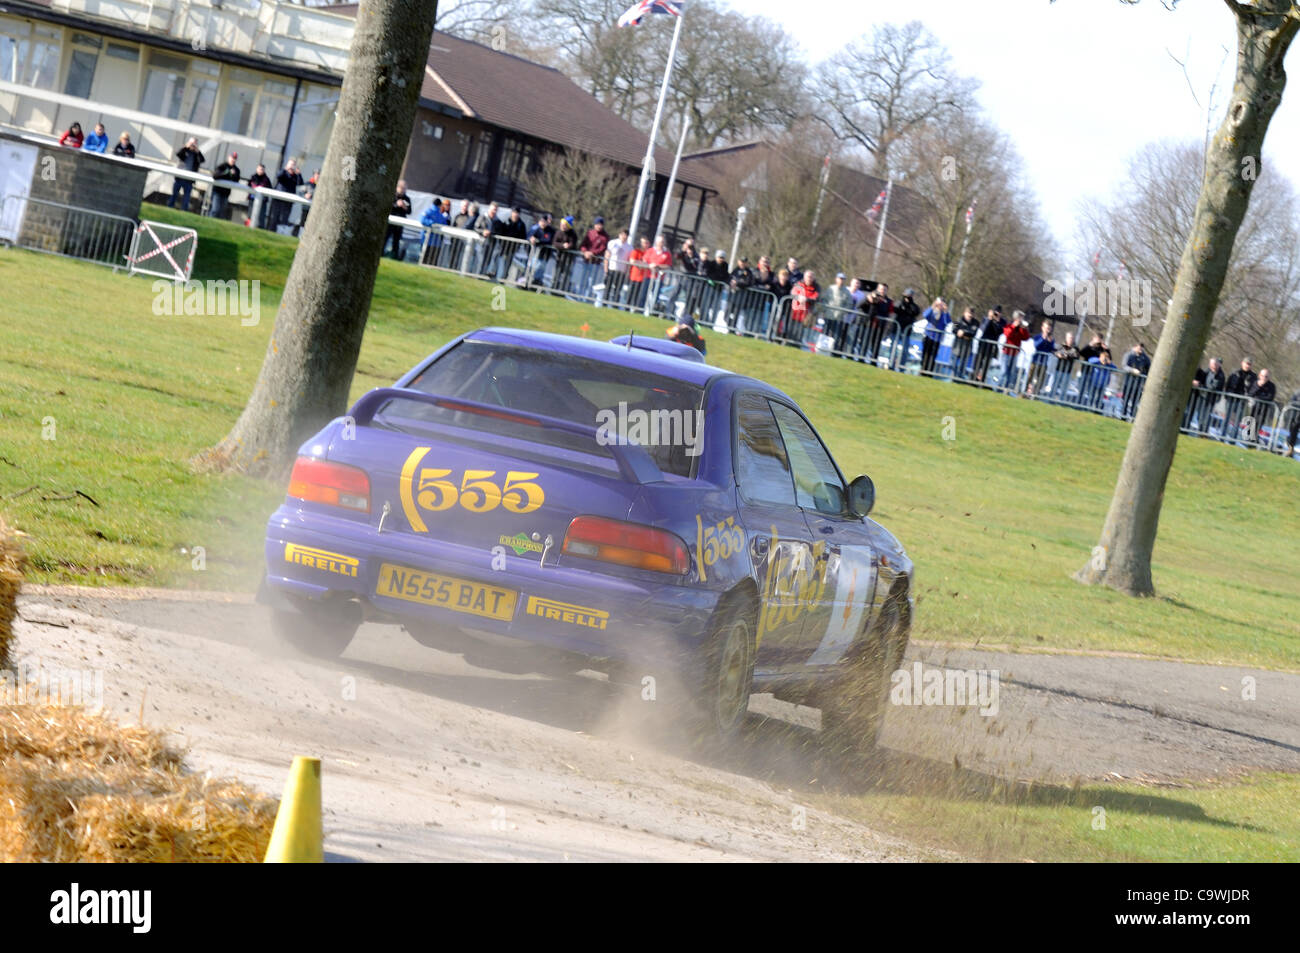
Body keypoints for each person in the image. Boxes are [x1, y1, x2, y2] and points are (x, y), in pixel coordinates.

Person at [1224, 357, 1257, 442]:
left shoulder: (1253, 376)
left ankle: (1233, 439)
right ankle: (1222, 436)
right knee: (1226, 419)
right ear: (1242, 363)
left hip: (1241, 401)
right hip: (1231, 399)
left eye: (1249, 364)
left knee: (1237, 421)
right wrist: (1227, 395)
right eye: (1246, 363)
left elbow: (1253, 388)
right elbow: (1228, 384)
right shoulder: (1235, 373)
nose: (1247, 365)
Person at [1188, 356, 1224, 433]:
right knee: (1200, 416)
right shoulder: (1208, 371)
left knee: (1205, 416)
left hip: (1210, 399)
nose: (1211, 365)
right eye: (1210, 364)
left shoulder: (1220, 375)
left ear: (1217, 364)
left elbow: (1213, 387)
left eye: (1213, 364)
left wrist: (1199, 385)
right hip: (1203, 396)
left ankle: (1203, 433)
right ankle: (1201, 432)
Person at [168, 137, 204, 211]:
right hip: (180, 176)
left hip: (189, 179)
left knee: (186, 196)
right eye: (191, 143)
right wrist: (186, 147)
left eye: (194, 144)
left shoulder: (196, 154)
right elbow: (178, 153)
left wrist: (198, 151)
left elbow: (202, 160)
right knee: (175, 193)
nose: (192, 145)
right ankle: (170, 206)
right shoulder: (184, 151)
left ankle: (184, 209)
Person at [999, 310, 1032, 393]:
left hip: (1015, 354)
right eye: (1020, 317)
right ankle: (998, 388)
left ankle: (1006, 390)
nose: (1021, 319)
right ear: (1016, 318)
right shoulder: (1009, 326)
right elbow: (1008, 334)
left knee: (1011, 373)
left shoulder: (1021, 329)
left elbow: (1026, 338)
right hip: (1006, 353)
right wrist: (1014, 326)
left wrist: (1024, 329)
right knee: (1003, 371)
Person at [577, 216, 609, 298]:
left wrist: (592, 253)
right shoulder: (590, 233)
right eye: (597, 224)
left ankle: (588, 297)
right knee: (583, 279)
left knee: (592, 282)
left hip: (595, 263)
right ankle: (580, 296)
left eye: (600, 224)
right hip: (586, 261)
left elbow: (602, 249)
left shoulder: (605, 237)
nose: (599, 226)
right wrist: (585, 252)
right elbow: (583, 245)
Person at [268, 158, 302, 231]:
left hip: (288, 201)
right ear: (287, 164)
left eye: (293, 165)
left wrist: (299, 174)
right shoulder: (283, 172)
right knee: (275, 217)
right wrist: (285, 169)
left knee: (284, 218)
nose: (292, 166)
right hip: (278, 199)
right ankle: (271, 231)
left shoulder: (295, 176)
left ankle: (280, 232)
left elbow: (300, 183)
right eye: (291, 164)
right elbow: (278, 176)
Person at [788, 269, 821, 346]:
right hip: (795, 311)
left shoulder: (816, 287)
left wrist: (806, 299)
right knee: (792, 328)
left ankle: (798, 344)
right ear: (804, 277)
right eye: (808, 276)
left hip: (806, 313)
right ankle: (789, 342)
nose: (809, 278)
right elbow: (792, 293)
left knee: (801, 330)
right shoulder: (798, 284)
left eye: (811, 277)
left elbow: (816, 297)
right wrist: (798, 297)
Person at [382, 179, 412, 260]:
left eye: (405, 188)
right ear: (397, 187)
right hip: (390, 222)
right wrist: (396, 205)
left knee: (396, 240)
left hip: (400, 223)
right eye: (402, 188)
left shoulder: (407, 199)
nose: (403, 190)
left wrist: (404, 207)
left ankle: (395, 256)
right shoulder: (393, 196)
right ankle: (381, 252)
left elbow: (409, 211)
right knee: (385, 237)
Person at [973, 307, 1004, 383]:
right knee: (978, 362)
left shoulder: (1002, 322)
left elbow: (999, 332)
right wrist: (990, 319)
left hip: (991, 346)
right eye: (995, 312)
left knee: (986, 365)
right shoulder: (985, 319)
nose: (996, 314)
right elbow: (984, 329)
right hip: (983, 344)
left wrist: (997, 321)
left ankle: (982, 381)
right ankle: (973, 379)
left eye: (998, 313)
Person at [603, 227, 632, 305]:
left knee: (618, 290)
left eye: (625, 235)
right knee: (607, 288)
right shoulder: (612, 243)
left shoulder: (630, 247)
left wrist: (627, 272)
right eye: (622, 234)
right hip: (611, 269)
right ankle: (604, 304)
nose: (623, 236)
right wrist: (606, 269)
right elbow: (607, 256)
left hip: (621, 271)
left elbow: (629, 261)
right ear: (619, 235)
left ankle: (614, 305)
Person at [920, 298, 950, 375]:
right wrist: (933, 306)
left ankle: (929, 373)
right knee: (925, 354)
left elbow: (947, 322)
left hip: (937, 338)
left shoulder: (944, 315)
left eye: (941, 304)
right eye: (939, 304)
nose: (940, 306)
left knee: (932, 356)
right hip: (928, 336)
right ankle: (922, 370)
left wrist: (946, 311)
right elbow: (925, 315)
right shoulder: (933, 311)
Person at [1027, 320, 1057, 397]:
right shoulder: (1037, 336)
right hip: (1035, 361)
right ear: (1042, 328)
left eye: (1049, 329)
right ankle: (1024, 393)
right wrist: (1044, 338)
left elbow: (1051, 349)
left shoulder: (1051, 339)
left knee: (1040, 380)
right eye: (1046, 328)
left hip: (1043, 363)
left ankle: (1035, 395)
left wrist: (1050, 343)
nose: (1048, 330)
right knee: (1029, 378)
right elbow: (1036, 346)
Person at [1121, 342, 1151, 418]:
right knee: (1125, 399)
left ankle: (1132, 417)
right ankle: (1123, 416)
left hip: (1139, 384)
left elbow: (1149, 369)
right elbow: (1124, 366)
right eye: (1139, 347)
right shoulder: (1128, 355)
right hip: (1128, 382)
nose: (1140, 349)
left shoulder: (1145, 358)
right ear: (1134, 347)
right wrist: (1132, 370)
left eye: (1141, 348)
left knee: (1135, 401)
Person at [1246, 368, 1276, 440]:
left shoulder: (1271, 386)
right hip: (1254, 407)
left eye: (1266, 376)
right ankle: (1247, 439)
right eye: (1263, 376)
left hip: (1264, 409)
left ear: (1269, 377)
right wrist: (1258, 386)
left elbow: (1270, 397)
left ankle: (1253, 440)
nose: (1264, 378)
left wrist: (1258, 398)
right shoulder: (1255, 383)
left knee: (1258, 424)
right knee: (1251, 423)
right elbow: (1250, 394)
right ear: (1259, 375)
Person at [950, 307, 980, 380]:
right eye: (968, 313)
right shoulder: (957, 319)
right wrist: (958, 332)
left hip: (967, 347)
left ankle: (959, 378)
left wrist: (963, 332)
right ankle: (953, 376)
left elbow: (973, 333)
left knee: (962, 364)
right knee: (953, 363)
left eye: (971, 314)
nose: (970, 315)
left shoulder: (976, 322)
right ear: (964, 313)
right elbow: (953, 329)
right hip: (957, 345)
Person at [209, 152, 240, 220]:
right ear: (229, 157)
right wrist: (227, 172)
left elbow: (236, 181)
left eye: (235, 158)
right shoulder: (222, 165)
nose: (233, 160)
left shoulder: (236, 170)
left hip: (226, 193)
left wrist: (234, 175)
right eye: (232, 158)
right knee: (215, 210)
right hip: (217, 191)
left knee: (221, 212)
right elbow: (215, 176)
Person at [1052, 332, 1080, 401]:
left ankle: (1061, 401)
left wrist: (1067, 356)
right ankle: (1050, 399)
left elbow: (1076, 356)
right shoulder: (1061, 346)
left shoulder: (1075, 348)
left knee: (1064, 388)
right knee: (1054, 386)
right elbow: (1053, 351)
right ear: (1066, 338)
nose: (1070, 339)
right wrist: (1057, 354)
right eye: (1069, 338)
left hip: (1067, 372)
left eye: (1072, 338)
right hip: (1058, 369)